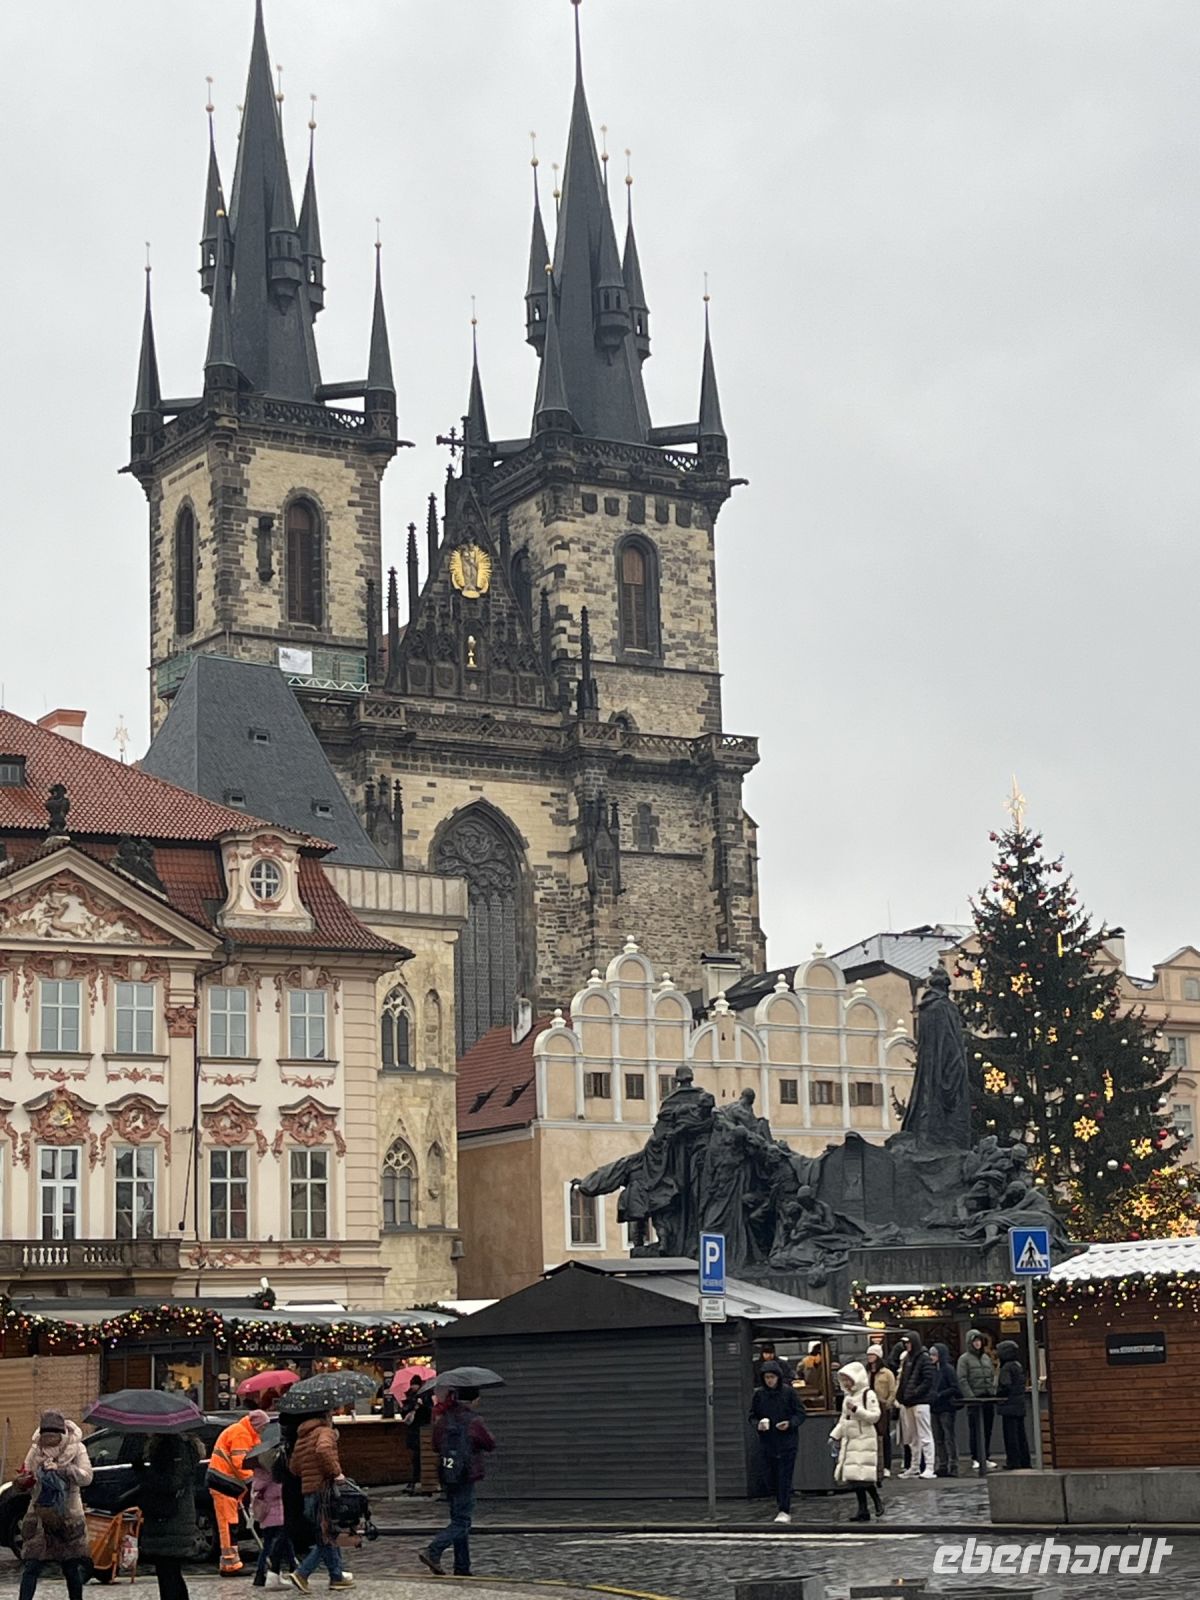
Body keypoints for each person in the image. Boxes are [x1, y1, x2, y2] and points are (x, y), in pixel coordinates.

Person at [418, 1385, 497, 1577]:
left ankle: (462, 1566)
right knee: (462, 1521)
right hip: (466, 1474)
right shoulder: (473, 1420)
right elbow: (490, 1444)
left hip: (447, 1473)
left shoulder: (444, 1419)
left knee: (457, 1519)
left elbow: (436, 1446)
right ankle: (433, 1550)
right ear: (474, 1400)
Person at [15, 1411, 93, 1600]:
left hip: (68, 1516)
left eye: (52, 1436)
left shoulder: (77, 1448)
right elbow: (27, 1475)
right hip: (40, 1514)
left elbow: (87, 1477)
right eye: (45, 1436)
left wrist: (64, 1470)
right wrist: (24, 1480)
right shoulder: (36, 1449)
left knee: (70, 1567)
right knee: (32, 1565)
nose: (48, 1440)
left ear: (61, 1434)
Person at [120, 1434, 201, 1600]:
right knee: (171, 1572)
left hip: (168, 1520)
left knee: (167, 1574)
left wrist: (143, 1472)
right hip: (175, 1518)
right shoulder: (181, 1448)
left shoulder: (170, 1447)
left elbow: (168, 1483)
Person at [287, 1411, 353, 1592]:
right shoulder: (324, 1432)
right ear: (327, 1417)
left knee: (327, 1534)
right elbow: (323, 1450)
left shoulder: (303, 1436)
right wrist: (336, 1472)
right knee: (328, 1537)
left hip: (308, 1492)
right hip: (324, 1492)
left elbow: (294, 1467)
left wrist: (309, 1472)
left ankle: (336, 1576)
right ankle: (302, 1573)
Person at [208, 1409, 268, 1575]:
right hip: (224, 1482)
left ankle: (230, 1562)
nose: (263, 1430)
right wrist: (254, 1482)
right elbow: (240, 1463)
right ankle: (230, 1565)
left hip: (227, 1482)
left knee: (230, 1523)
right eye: (263, 1427)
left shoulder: (245, 1433)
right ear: (256, 1425)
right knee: (228, 1524)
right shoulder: (241, 1433)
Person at [748, 1361, 805, 1524]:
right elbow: (752, 1415)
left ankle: (784, 1508)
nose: (770, 1381)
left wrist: (790, 1423)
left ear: (778, 1377)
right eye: (767, 1377)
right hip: (768, 1441)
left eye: (772, 1377)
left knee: (784, 1476)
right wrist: (758, 1424)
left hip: (787, 1441)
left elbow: (800, 1413)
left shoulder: (789, 1393)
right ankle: (780, 1504)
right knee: (771, 1477)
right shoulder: (759, 1395)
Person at [831, 1362, 883, 1522]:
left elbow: (874, 1416)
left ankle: (876, 1502)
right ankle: (863, 1510)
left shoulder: (868, 1394)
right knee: (855, 1478)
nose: (846, 1383)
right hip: (851, 1440)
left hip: (864, 1439)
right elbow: (843, 1419)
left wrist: (856, 1410)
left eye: (849, 1380)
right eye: (844, 1380)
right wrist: (835, 1435)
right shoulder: (848, 1397)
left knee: (863, 1476)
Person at [250, 1448, 295, 1590]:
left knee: (270, 1544)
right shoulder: (273, 1476)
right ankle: (295, 1569)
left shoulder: (258, 1475)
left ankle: (260, 1573)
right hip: (277, 1513)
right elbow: (278, 1493)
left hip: (266, 1516)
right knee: (283, 1541)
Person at [894, 1331, 936, 1479]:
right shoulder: (908, 1359)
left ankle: (929, 1467)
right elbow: (904, 1379)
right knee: (912, 1437)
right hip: (909, 1402)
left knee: (924, 1435)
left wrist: (914, 1393)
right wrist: (901, 1395)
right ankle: (915, 1466)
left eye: (908, 1342)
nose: (907, 1345)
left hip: (920, 1402)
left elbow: (928, 1380)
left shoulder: (923, 1359)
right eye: (905, 1343)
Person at [957, 1328, 998, 1475]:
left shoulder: (986, 1358)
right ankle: (975, 1456)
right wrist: (970, 1396)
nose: (977, 1343)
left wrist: (993, 1391)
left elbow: (993, 1375)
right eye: (975, 1341)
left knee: (987, 1428)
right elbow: (962, 1379)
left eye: (979, 1340)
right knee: (975, 1429)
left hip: (988, 1398)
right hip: (975, 1400)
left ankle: (985, 1455)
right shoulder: (964, 1359)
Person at [995, 1340, 1032, 1469]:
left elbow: (1005, 1385)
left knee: (1010, 1436)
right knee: (1021, 1435)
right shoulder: (1018, 1365)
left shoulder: (1006, 1368)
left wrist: (997, 1394)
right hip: (1019, 1404)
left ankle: (1013, 1461)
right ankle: (1025, 1461)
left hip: (1009, 1405)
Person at [929, 1343, 963, 1477]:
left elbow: (955, 1387)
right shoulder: (932, 1370)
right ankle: (942, 1464)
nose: (932, 1357)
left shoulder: (948, 1369)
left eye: (934, 1355)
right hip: (935, 1407)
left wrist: (940, 1394)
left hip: (946, 1407)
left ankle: (953, 1464)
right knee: (938, 1438)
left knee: (949, 1436)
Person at [864, 1345, 896, 1482]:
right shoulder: (866, 1372)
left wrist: (888, 1404)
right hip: (870, 1406)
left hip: (882, 1406)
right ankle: (875, 1465)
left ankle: (886, 1466)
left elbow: (892, 1390)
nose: (870, 1357)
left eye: (872, 1354)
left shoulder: (886, 1373)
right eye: (868, 1354)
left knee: (885, 1435)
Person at [401, 1378, 431, 1495]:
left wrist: (421, 1407)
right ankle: (415, 1481)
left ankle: (417, 1482)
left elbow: (428, 1413)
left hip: (420, 1431)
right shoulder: (410, 1397)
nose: (413, 1387)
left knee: (419, 1458)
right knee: (416, 1458)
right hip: (415, 1431)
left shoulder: (424, 1397)